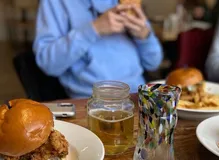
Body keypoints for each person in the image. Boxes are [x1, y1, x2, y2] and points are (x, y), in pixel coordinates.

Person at [33, 0, 163, 98]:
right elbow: (47, 63)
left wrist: (144, 36)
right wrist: (94, 29)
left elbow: (153, 63)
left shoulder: (127, 3)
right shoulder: (55, 3)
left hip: (138, 96)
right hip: (90, 101)